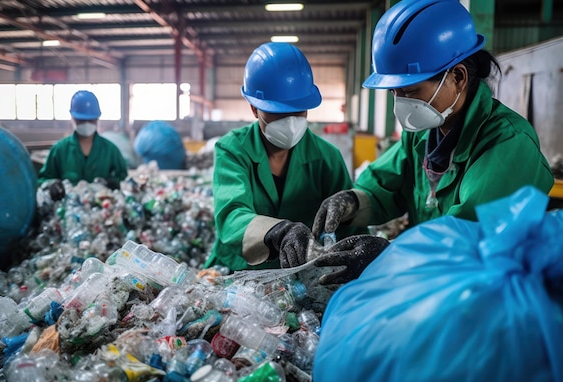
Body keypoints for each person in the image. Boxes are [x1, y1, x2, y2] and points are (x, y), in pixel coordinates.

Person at [309, 0, 554, 283]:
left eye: (410, 91)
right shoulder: (422, 133)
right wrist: (353, 200)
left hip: (490, 291)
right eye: (394, 93)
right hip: (433, 282)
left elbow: (471, 235)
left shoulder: (507, 142)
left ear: (458, 77)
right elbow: (386, 186)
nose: (400, 103)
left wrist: (389, 255)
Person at [203, 42, 362, 272]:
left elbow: (349, 228)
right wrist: (275, 232)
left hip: (305, 272)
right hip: (239, 270)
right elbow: (231, 216)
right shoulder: (233, 149)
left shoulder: (328, 158)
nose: (290, 121)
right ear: (254, 109)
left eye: (298, 111)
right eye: (278, 112)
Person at [37, 90, 128, 191]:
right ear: (72, 117)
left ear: (97, 118)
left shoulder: (110, 150)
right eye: (81, 120)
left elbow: (124, 179)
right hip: (67, 204)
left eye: (91, 120)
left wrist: (115, 183)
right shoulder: (59, 150)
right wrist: (52, 185)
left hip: (102, 204)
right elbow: (43, 180)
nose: (86, 123)